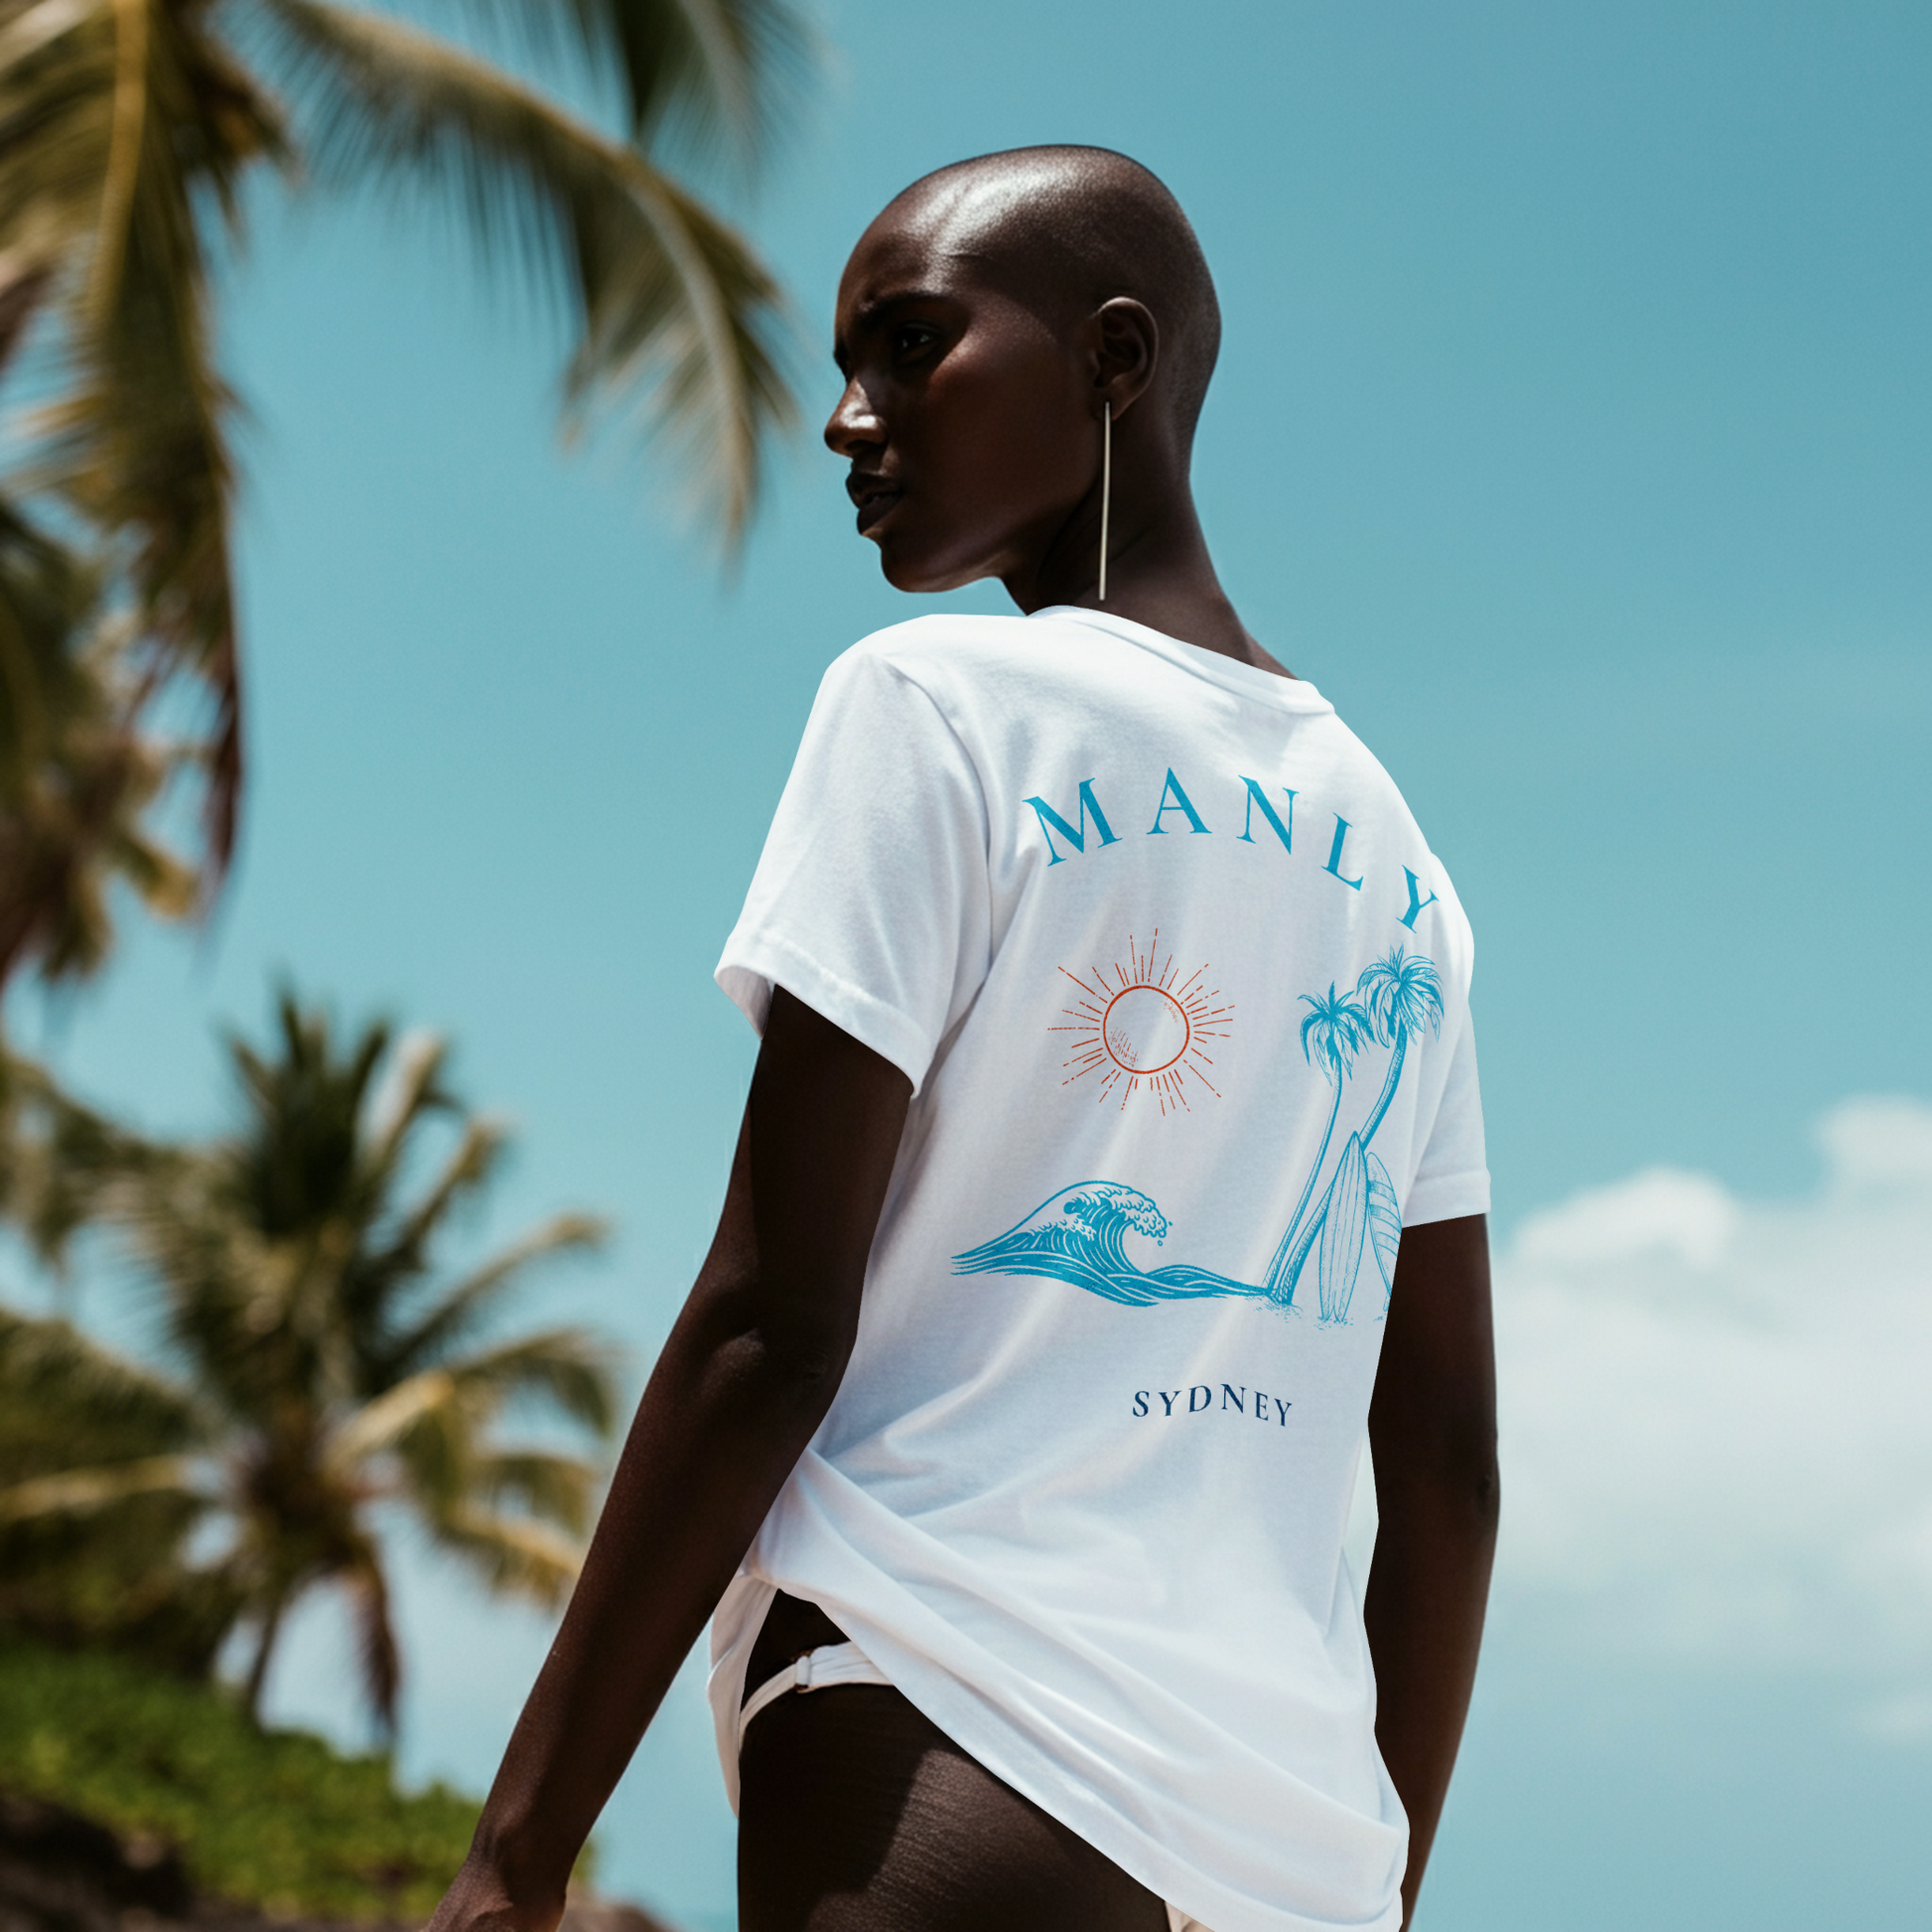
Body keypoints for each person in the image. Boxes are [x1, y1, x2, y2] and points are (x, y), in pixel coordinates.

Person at [428, 147, 1498, 1932]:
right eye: (845, 366)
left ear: (1114, 357)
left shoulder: (933, 705)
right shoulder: (1396, 858)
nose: (847, 420)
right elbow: (1448, 1461)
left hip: (938, 1713)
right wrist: (1368, 1877)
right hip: (1291, 1840)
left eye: (910, 344)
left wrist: (516, 1854)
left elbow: (770, 1325)